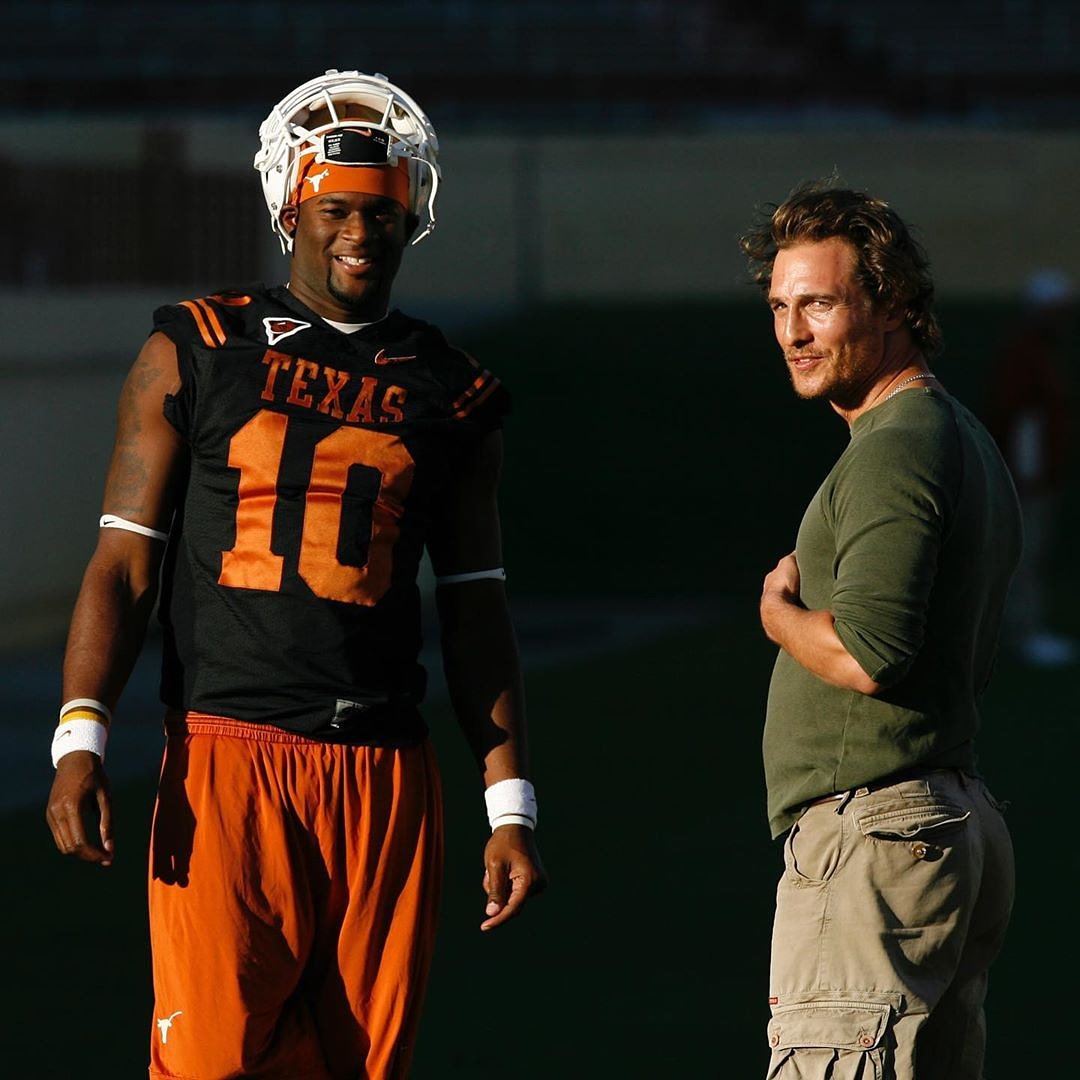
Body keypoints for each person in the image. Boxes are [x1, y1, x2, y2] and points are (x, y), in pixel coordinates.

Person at [45, 69, 546, 1080]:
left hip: (383, 775)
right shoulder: (197, 346)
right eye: (335, 210)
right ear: (289, 209)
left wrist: (510, 806)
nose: (359, 232)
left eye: (380, 211)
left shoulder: (451, 390)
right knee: (213, 1067)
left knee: (359, 1068)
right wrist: (80, 734)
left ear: (414, 217)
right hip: (233, 757)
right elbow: (123, 567)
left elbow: (476, 609)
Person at [740, 183, 1020, 1079]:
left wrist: (777, 617)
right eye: (781, 307)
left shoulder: (899, 442)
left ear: (894, 303)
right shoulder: (958, 434)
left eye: (818, 303)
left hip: (876, 842)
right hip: (939, 824)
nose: (792, 332)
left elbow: (870, 652)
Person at [985, 269, 1076, 666]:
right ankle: (1022, 635)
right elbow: (1018, 415)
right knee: (1024, 555)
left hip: (1034, 474)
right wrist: (1027, 472)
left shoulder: (1040, 352)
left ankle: (1023, 632)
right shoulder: (1025, 356)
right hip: (1025, 477)